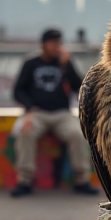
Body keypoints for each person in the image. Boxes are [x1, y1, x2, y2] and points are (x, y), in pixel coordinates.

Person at [11, 29, 99, 197]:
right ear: (44, 44)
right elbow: (18, 91)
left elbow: (79, 88)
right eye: (53, 43)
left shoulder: (63, 62)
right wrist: (29, 107)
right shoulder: (31, 63)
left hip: (62, 114)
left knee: (77, 134)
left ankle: (82, 179)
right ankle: (24, 180)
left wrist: (68, 65)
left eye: (59, 43)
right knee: (25, 132)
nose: (56, 47)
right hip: (37, 112)